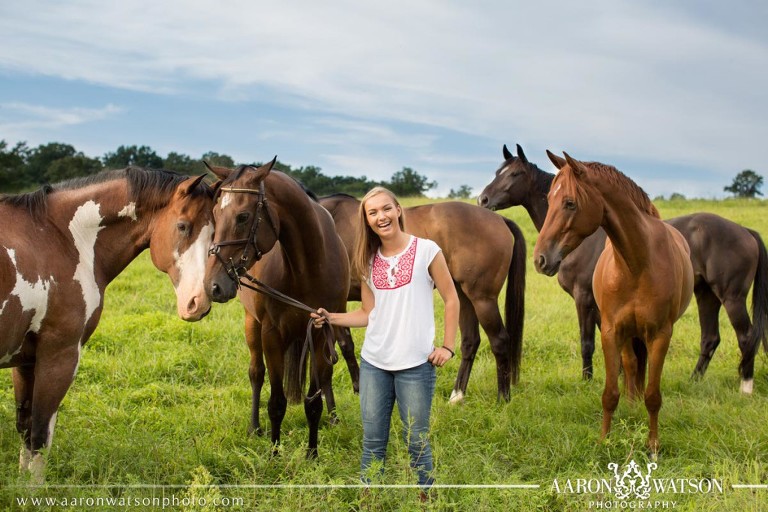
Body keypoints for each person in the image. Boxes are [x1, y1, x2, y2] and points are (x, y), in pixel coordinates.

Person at [311, 186, 459, 498]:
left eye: (386, 209)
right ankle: (369, 501)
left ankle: (427, 500)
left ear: (399, 210)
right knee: (373, 442)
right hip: (374, 365)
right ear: (366, 220)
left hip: (416, 366)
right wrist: (331, 317)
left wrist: (447, 346)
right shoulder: (367, 262)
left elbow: (451, 298)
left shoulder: (427, 250)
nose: (381, 217)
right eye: (373, 213)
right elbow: (368, 313)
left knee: (416, 441)